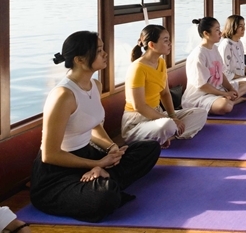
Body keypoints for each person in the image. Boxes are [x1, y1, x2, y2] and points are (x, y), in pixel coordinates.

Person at [30, 31, 160, 223]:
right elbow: (50, 154)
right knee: (104, 197)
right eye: (99, 50)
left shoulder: (95, 85)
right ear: (80, 60)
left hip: (89, 154)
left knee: (150, 148)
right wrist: (97, 164)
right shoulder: (63, 96)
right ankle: (102, 180)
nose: (105, 54)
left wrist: (112, 148)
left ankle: (103, 176)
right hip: (57, 173)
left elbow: (94, 127)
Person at [122, 25, 207, 147]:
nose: (170, 44)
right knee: (167, 125)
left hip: (158, 114)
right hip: (137, 121)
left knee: (200, 113)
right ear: (152, 45)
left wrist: (173, 116)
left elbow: (165, 93)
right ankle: (163, 135)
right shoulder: (137, 68)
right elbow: (139, 106)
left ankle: (167, 137)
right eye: (166, 40)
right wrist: (171, 121)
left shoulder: (161, 62)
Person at [181, 18, 246, 115]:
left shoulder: (214, 49)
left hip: (217, 90)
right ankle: (232, 101)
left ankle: (229, 100)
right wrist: (225, 94)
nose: (220, 33)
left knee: (245, 84)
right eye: (217, 30)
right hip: (201, 95)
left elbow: (221, 73)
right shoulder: (198, 55)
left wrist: (231, 89)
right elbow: (202, 85)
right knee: (225, 105)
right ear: (206, 34)